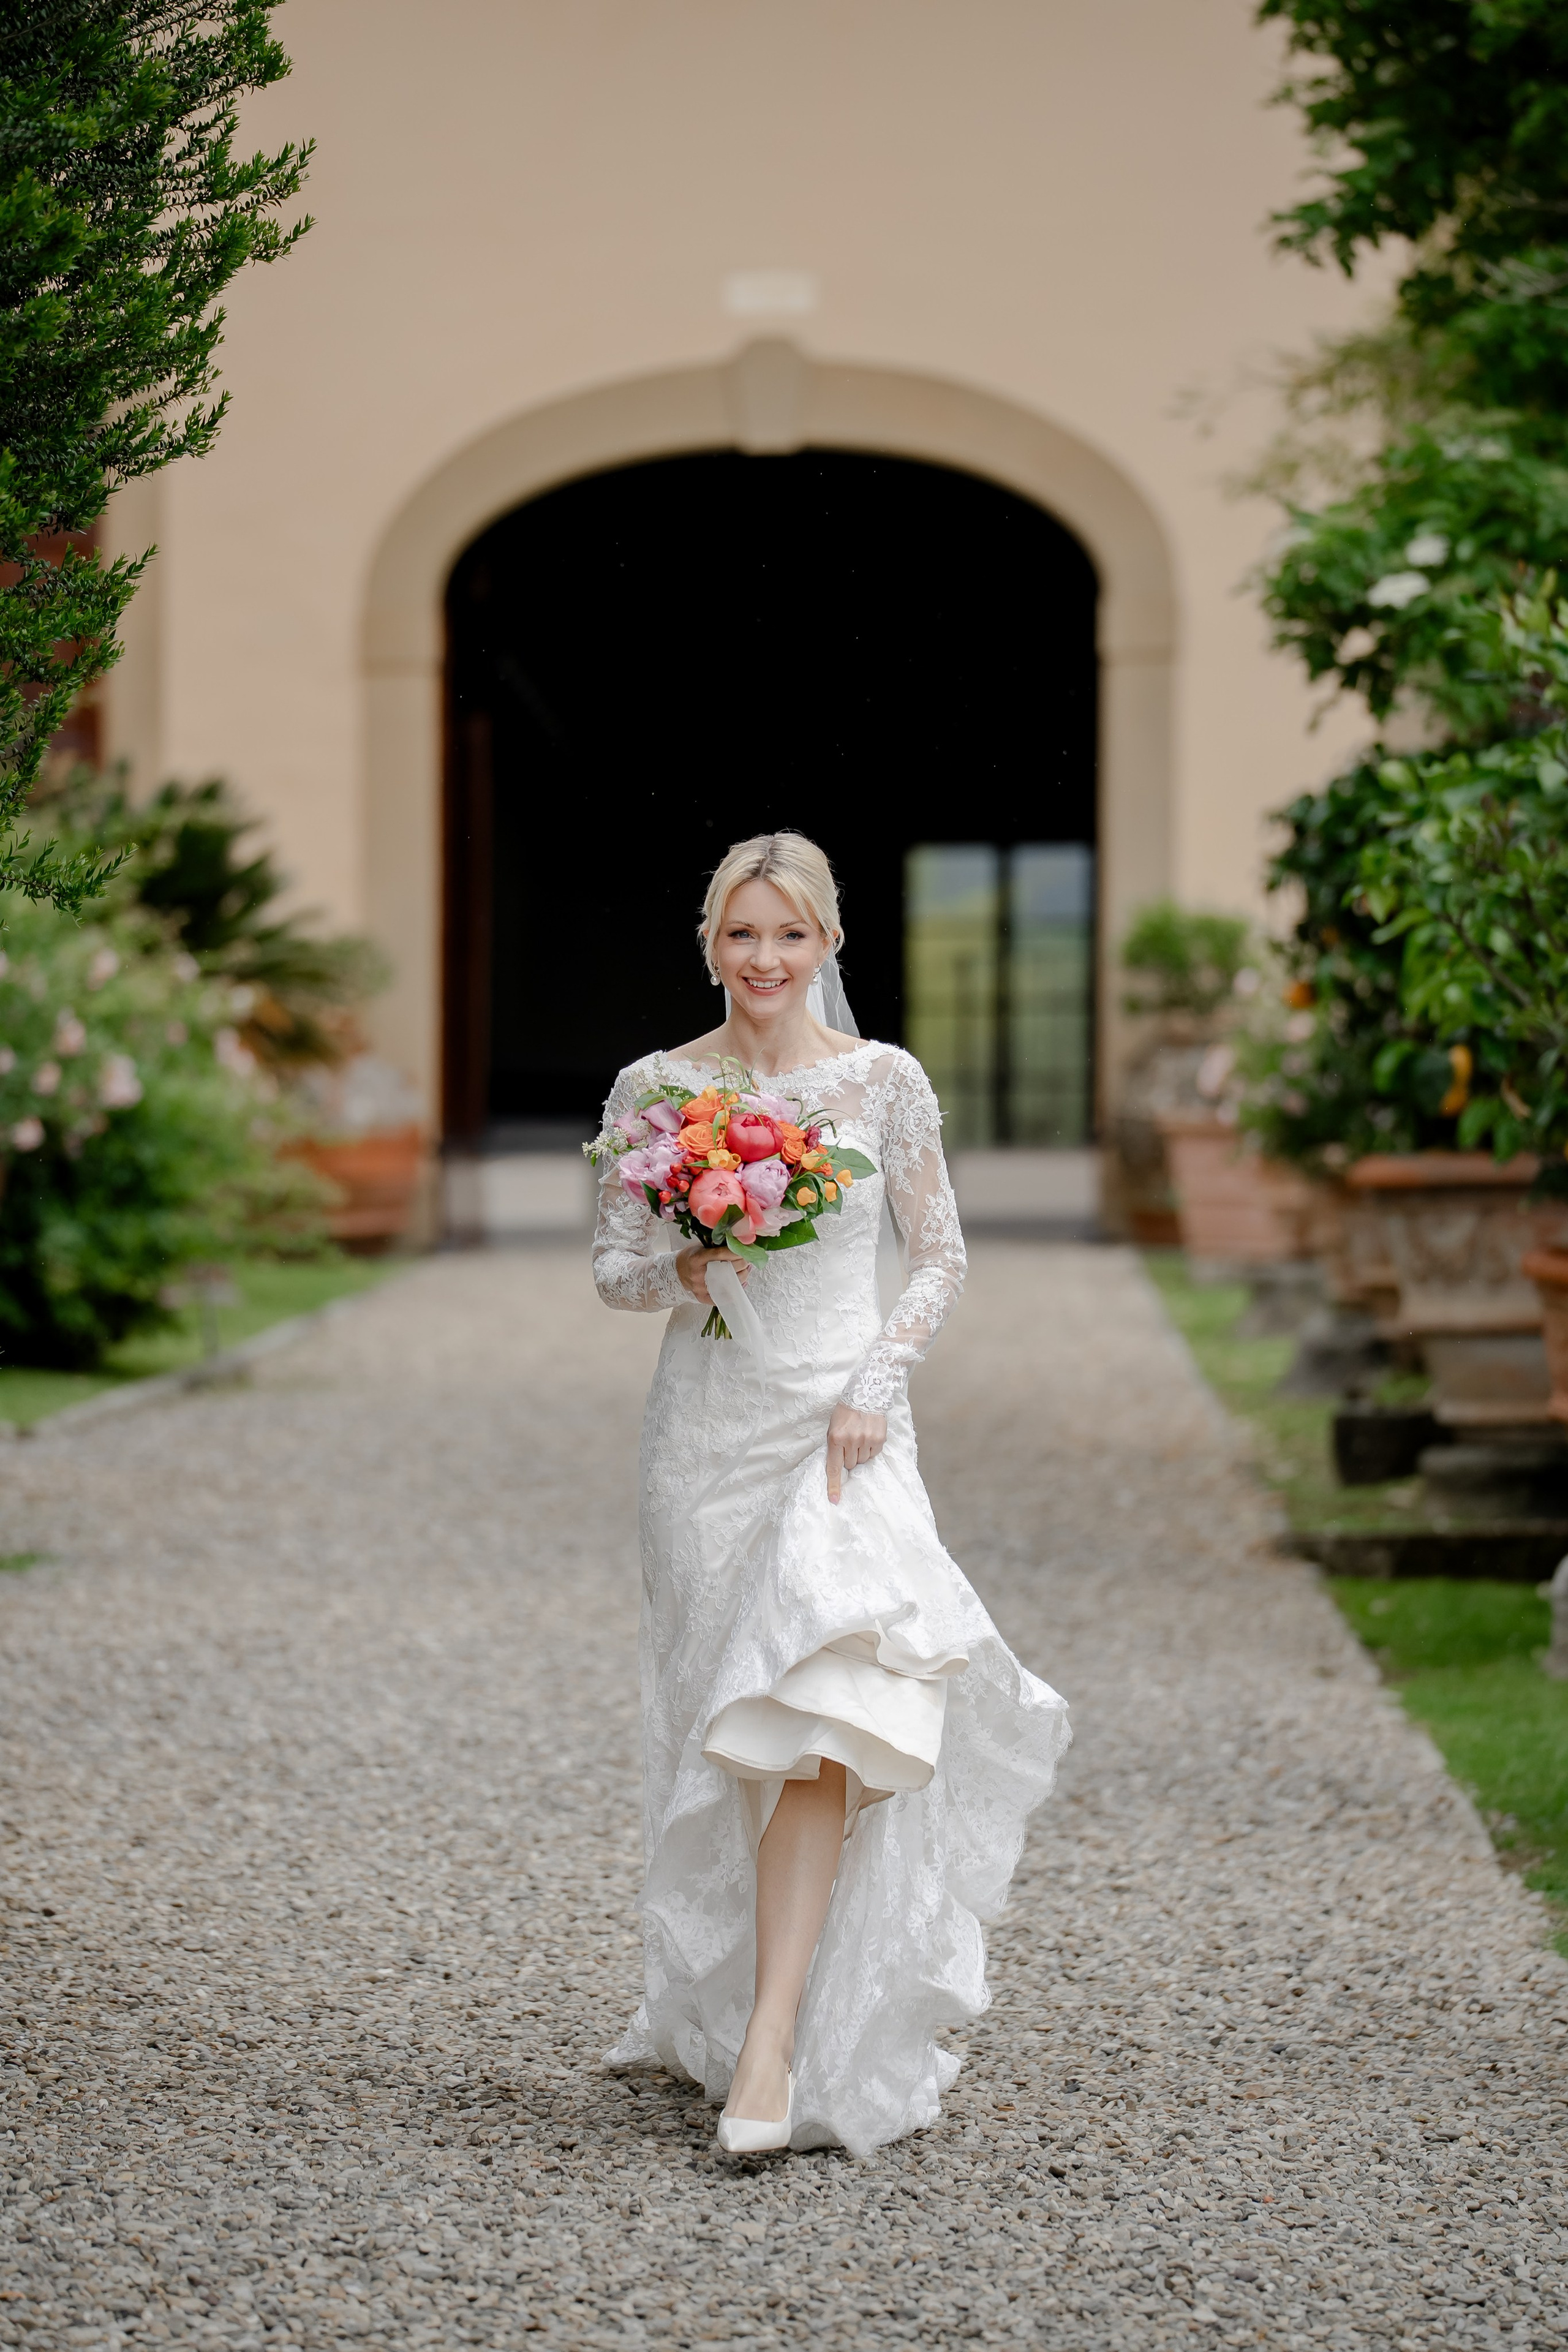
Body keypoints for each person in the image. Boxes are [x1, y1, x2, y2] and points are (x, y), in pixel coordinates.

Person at [591, 831, 1068, 2157]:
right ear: (708, 943)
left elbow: (937, 1256)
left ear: (828, 945)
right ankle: (729, 1997)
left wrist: (875, 1383)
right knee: (731, 1722)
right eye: (741, 935)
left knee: (821, 1703)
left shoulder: (881, 1081)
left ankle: (773, 2045)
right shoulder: (656, 1085)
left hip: (842, 1432)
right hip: (705, 1439)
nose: (763, 959)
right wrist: (688, 1260)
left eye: (787, 935)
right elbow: (613, 1269)